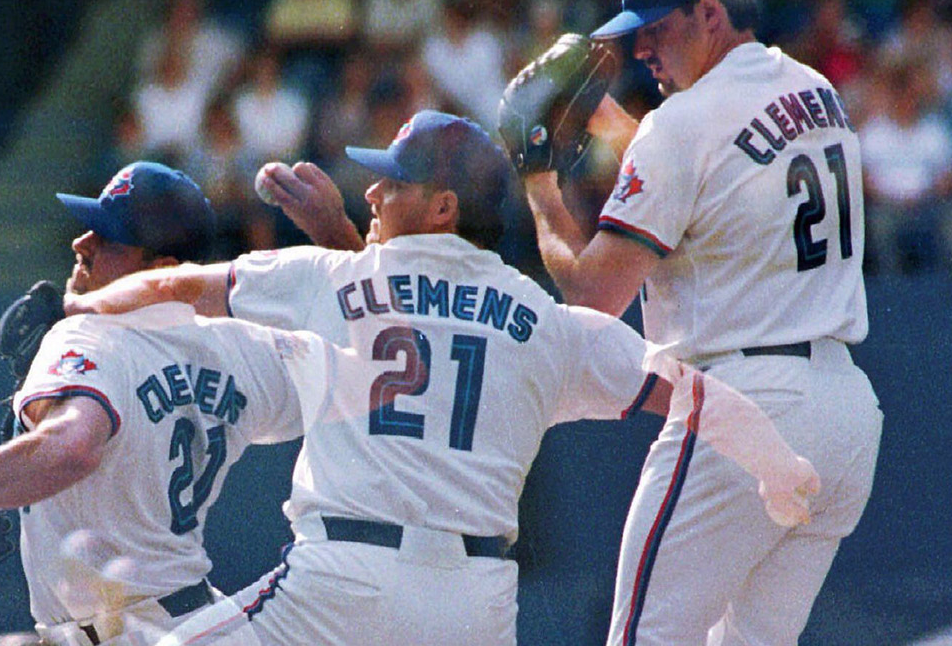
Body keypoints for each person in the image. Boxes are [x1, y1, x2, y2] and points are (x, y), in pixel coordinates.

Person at [65, 111, 819, 646]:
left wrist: (80, 309)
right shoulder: (547, 321)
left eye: (393, 183)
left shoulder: (329, 275)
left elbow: (172, 286)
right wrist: (780, 467)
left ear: (443, 205)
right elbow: (694, 394)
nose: (372, 192)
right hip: (474, 604)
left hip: (338, 585)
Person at [518, 0, 882, 645]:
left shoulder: (680, 124)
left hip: (741, 406)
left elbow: (592, 297)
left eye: (655, 27)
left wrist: (538, 182)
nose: (641, 49)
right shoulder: (817, 90)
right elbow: (719, 173)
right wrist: (607, 120)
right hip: (846, 413)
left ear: (709, 13)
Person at [0, 162, 307, 646]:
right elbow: (363, 377)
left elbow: (72, 447)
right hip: (200, 624)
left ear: (164, 272)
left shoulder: (90, 333)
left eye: (109, 238)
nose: (82, 243)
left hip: (127, 632)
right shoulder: (239, 347)